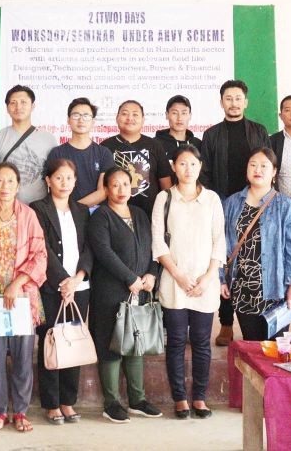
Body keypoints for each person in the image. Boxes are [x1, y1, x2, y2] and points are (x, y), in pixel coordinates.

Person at [151, 146, 226, 419]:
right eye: (182, 164)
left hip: (204, 284)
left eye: (192, 164)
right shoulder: (164, 198)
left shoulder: (212, 199)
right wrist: (179, 276)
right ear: (174, 166)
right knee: (177, 341)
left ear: (200, 166)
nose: (187, 169)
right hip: (174, 282)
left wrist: (208, 277)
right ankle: (180, 398)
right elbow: (158, 242)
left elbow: (220, 240)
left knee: (202, 342)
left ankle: (200, 397)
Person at [0, 162, 47, 433]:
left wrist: (17, 284)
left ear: (18, 185)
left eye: (10, 181)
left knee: (22, 359)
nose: (4, 186)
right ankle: (0, 412)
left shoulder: (28, 215)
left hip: (22, 297)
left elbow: (40, 255)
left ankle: (21, 412)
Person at [87, 166, 163, 424]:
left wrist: (152, 274)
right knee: (111, 344)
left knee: (135, 344)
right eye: (115, 185)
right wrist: (129, 278)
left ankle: (137, 400)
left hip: (140, 291)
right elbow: (103, 252)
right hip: (110, 292)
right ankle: (111, 403)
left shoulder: (140, 214)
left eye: (125, 184)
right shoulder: (100, 217)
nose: (121, 190)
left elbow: (154, 248)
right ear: (106, 189)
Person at [199, 80, 270, 346]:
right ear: (221, 103)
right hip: (223, 205)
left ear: (246, 102)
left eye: (238, 98)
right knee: (224, 261)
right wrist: (215, 203)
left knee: (253, 261)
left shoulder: (259, 131)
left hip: (255, 203)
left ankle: (259, 317)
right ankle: (226, 322)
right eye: (228, 98)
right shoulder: (212, 134)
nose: (233, 103)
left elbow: (267, 163)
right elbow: (204, 173)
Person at [30, 159, 92, 425]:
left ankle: (68, 402)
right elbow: (40, 247)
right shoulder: (38, 209)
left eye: (69, 178)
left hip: (79, 288)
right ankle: (51, 403)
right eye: (58, 178)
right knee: (51, 340)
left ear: (75, 181)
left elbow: (90, 248)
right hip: (51, 287)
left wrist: (77, 279)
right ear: (48, 180)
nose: (64, 183)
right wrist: (63, 281)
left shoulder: (81, 210)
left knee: (73, 340)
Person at [224, 148, 291, 341]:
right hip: (243, 288)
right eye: (253, 165)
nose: (257, 170)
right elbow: (222, 244)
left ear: (274, 171)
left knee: (277, 348)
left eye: (264, 166)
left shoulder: (285, 205)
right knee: (252, 347)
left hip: (275, 290)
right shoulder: (232, 203)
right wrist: (221, 279)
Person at [0, 85, 57, 204]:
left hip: (39, 210)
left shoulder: (49, 140)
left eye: (23, 102)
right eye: (13, 103)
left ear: (32, 106)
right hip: (6, 209)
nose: (18, 107)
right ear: (7, 108)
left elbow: (55, 178)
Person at [100, 100, 174, 214]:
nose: (130, 118)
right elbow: (101, 187)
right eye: (125, 114)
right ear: (117, 118)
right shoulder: (105, 147)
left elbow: (165, 184)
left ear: (143, 119)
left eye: (135, 114)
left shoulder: (154, 145)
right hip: (113, 215)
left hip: (150, 215)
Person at [46, 98, 113, 206]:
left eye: (86, 116)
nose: (81, 120)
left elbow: (102, 192)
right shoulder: (57, 153)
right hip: (63, 212)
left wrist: (75, 210)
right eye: (76, 115)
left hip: (96, 213)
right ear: (68, 120)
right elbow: (52, 188)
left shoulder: (103, 153)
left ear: (93, 122)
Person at [154, 95, 202, 164]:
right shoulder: (155, 144)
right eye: (175, 113)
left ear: (190, 115)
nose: (179, 118)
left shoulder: (198, 145)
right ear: (167, 115)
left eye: (184, 113)